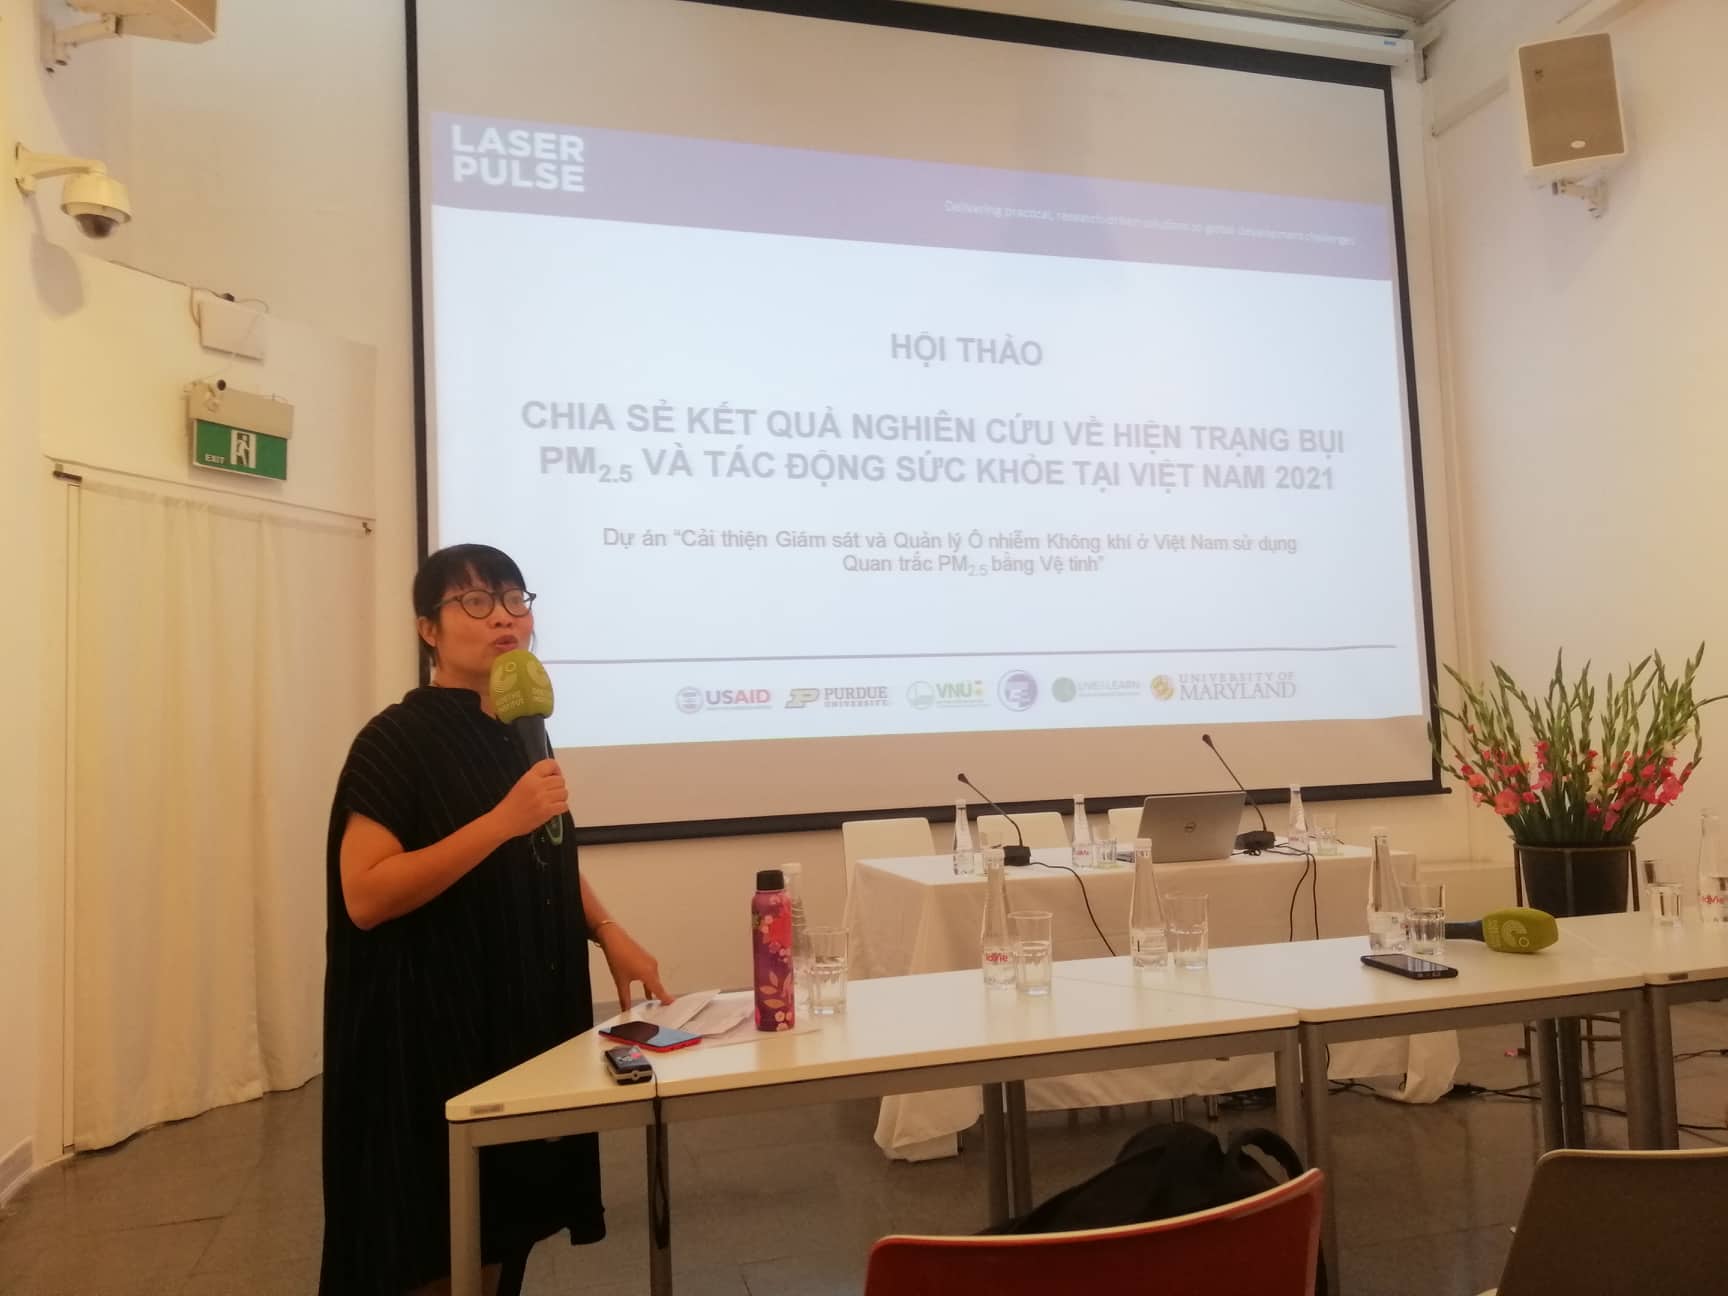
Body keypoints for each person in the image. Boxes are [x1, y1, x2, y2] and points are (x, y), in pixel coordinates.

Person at [320, 543, 670, 1295]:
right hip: (431, 1032)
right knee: (435, 1237)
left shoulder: (521, 729)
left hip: (515, 1018)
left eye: (515, 600)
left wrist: (608, 931)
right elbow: (366, 895)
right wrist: (503, 819)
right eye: (476, 602)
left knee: (505, 1225)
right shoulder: (395, 739)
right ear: (429, 631)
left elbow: (543, 852)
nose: (505, 618)